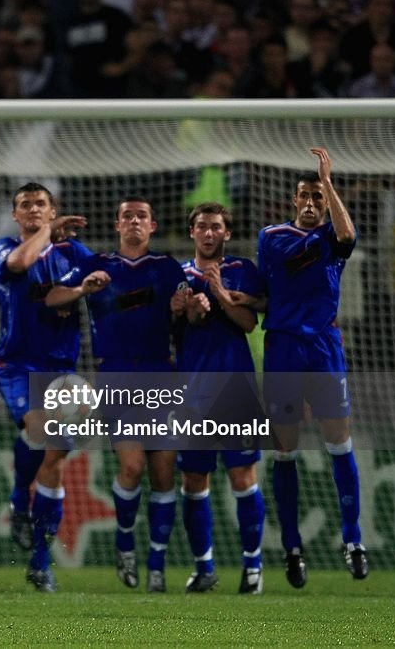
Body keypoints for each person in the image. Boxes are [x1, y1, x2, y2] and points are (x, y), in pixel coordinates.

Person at [45, 196, 185, 593]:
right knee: (132, 467)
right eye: (128, 216)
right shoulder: (98, 265)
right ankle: (125, 541)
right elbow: (53, 296)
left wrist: (183, 307)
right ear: (118, 224)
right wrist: (82, 290)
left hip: (161, 372)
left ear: (152, 226)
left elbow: (188, 315)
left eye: (142, 216)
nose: (135, 221)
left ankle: (156, 564)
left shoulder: (167, 267)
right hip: (116, 374)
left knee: (163, 473)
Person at [254, 147, 368, 586]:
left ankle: (353, 539)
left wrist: (330, 184)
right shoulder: (271, 236)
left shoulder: (335, 241)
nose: (309, 202)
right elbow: (270, 288)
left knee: (338, 440)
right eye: (305, 195)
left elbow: (347, 235)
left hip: (323, 347)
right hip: (283, 347)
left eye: (317, 198)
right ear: (293, 199)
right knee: (285, 448)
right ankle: (292, 547)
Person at [0, 181, 91, 591]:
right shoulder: (2, 250)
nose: (33, 209)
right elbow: (20, 263)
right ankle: (19, 499)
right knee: (39, 429)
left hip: (61, 368)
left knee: (57, 452)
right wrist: (47, 231)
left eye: (41, 205)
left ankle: (39, 561)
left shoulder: (73, 253)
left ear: (53, 210)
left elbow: (103, 278)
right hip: (17, 365)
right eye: (26, 205)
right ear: (16, 215)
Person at [173, 202, 266, 594]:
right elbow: (175, 328)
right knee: (194, 480)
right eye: (201, 227)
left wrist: (220, 294)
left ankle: (253, 568)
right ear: (192, 232)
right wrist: (190, 310)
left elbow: (248, 322)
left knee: (243, 477)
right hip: (191, 390)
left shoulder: (243, 271)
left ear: (227, 233)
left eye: (216, 227)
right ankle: (204, 568)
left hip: (236, 387)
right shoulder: (176, 276)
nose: (208, 233)